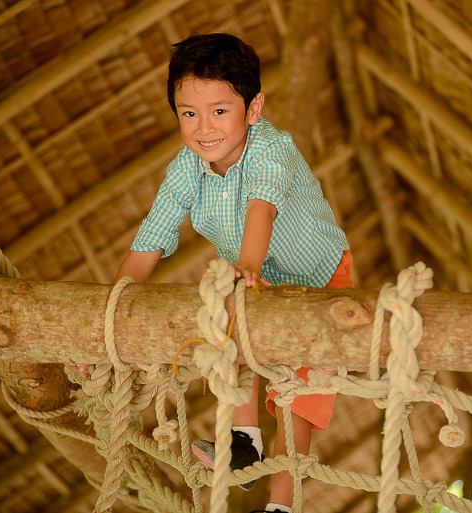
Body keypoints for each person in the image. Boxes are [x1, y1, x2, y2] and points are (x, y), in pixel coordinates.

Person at [115, 32, 354, 513]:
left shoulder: (272, 150)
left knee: (295, 401)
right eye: (189, 113)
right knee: (229, 322)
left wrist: (246, 265)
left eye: (220, 110)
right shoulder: (185, 171)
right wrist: (114, 303)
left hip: (322, 284)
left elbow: (260, 210)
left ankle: (284, 508)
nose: (204, 127)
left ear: (254, 107)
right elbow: (148, 244)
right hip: (256, 283)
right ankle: (244, 445)